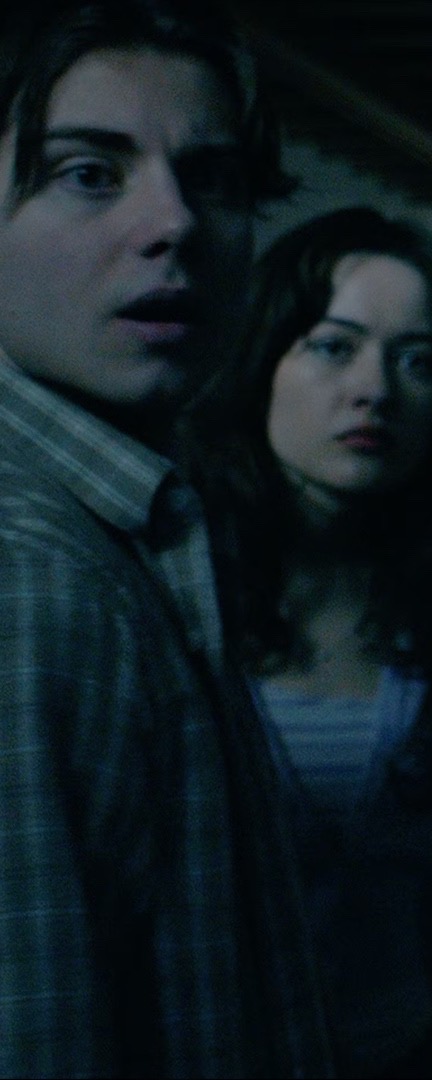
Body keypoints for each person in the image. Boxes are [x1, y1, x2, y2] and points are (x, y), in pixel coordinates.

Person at [0, 0, 332, 1074]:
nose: (176, 222)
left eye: (216, 180)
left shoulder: (127, 525)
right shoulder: (33, 578)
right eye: (89, 173)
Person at [180, 206, 432, 1076]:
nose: (376, 390)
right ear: (260, 362)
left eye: (416, 361)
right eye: (334, 347)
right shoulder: (176, 597)